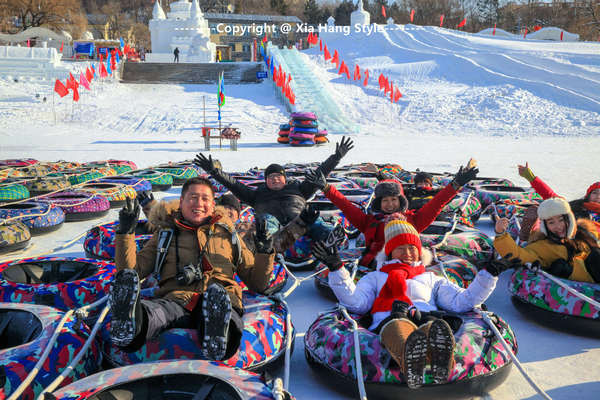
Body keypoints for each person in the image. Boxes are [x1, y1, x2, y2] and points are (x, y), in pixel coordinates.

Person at [312, 219, 502, 389]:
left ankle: (441, 357)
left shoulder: (431, 278)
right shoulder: (376, 277)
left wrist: (489, 275)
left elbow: (460, 302)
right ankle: (410, 359)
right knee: (396, 326)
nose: (408, 253)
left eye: (412, 248)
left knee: (435, 326)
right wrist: (337, 268)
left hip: (425, 317)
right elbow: (357, 304)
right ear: (390, 251)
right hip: (388, 320)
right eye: (400, 247)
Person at [109, 177, 275, 361]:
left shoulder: (228, 235)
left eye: (205, 199)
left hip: (221, 298)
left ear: (213, 204)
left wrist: (264, 252)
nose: (199, 203)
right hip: (176, 299)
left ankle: (219, 338)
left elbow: (257, 283)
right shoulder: (165, 233)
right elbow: (132, 271)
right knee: (155, 313)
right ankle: (130, 326)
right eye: (193, 197)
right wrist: (126, 233)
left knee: (223, 313)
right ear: (181, 202)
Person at [304, 161, 479, 268]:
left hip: (409, 263)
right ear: (379, 203)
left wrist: (455, 185)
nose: (390, 205)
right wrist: (327, 188)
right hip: (375, 266)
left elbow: (436, 203)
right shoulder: (369, 221)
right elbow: (345, 205)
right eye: (385, 200)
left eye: (394, 200)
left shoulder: (413, 220)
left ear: (400, 201)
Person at [194, 136, 354, 242]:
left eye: (278, 176)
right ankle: (266, 243)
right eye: (270, 177)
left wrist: (336, 157)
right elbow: (234, 184)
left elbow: (319, 173)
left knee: (312, 218)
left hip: (300, 223)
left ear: (285, 179)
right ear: (265, 181)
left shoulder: (299, 189)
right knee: (265, 220)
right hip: (274, 232)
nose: (275, 178)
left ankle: (330, 236)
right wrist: (214, 171)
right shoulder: (257, 195)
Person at [494, 196, 600, 283]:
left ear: (569, 219)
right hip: (586, 279)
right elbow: (518, 254)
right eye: (551, 222)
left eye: (561, 220)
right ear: (545, 226)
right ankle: (526, 234)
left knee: (595, 253)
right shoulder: (544, 246)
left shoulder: (582, 234)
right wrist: (500, 234)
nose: (558, 226)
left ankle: (527, 232)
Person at [216, 192, 321, 253]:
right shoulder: (208, 227)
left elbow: (277, 243)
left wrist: (301, 223)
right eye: (224, 208)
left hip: (245, 269)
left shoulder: (248, 228)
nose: (228, 211)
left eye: (231, 208)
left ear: (238, 214)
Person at [518, 162, 600, 231]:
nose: (598, 196)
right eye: (595, 193)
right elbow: (550, 195)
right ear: (588, 195)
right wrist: (530, 177)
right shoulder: (577, 206)